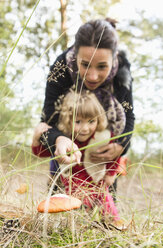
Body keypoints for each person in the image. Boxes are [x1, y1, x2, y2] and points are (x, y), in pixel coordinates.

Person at [35, 17, 135, 192]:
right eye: (85, 65)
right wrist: (58, 139)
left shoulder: (122, 71)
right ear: (76, 55)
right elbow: (47, 119)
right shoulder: (60, 68)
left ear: (114, 59)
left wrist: (120, 145)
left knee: (103, 209)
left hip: (103, 154)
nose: (92, 76)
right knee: (60, 207)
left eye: (102, 67)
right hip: (67, 148)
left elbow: (128, 116)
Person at [32, 90, 126, 224]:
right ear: (68, 120)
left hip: (98, 186)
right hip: (73, 189)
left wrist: (111, 173)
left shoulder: (104, 137)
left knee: (111, 217)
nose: (85, 128)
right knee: (77, 220)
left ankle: (114, 234)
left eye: (91, 121)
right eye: (78, 121)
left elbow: (114, 155)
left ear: (99, 119)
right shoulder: (65, 141)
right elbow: (42, 152)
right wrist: (36, 140)